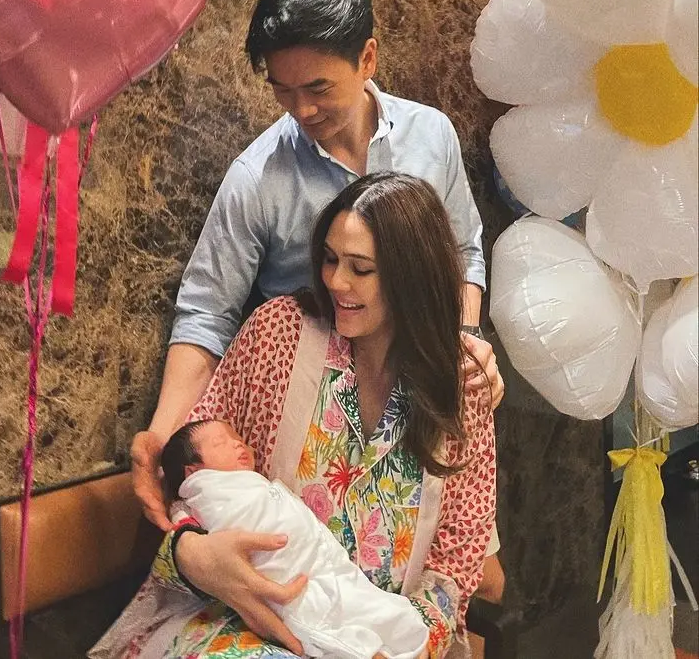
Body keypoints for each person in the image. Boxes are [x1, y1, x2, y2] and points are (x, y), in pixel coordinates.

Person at [130, 0, 505, 598]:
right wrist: (167, 441)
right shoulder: (257, 177)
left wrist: (462, 342)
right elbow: (207, 313)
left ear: (368, 58)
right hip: (309, 429)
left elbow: (463, 251)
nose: (301, 110)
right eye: (283, 90)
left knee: (453, 577)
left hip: (417, 409)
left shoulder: (431, 135)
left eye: (318, 88)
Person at [93, 173, 496, 659]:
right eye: (329, 259)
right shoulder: (277, 335)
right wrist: (191, 552)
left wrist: (401, 647)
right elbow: (191, 479)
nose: (336, 281)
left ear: (411, 276)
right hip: (239, 620)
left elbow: (454, 566)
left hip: (374, 640)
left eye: (360, 268)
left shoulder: (461, 386)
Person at [157, 419, 429, 659]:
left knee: (389, 613)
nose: (238, 443)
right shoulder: (203, 491)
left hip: (325, 565)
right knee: (331, 633)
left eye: (237, 437)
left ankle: (405, 639)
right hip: (290, 588)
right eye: (221, 442)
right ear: (192, 472)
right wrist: (188, 546)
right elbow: (177, 516)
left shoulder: (251, 482)